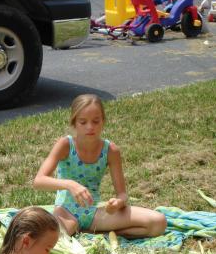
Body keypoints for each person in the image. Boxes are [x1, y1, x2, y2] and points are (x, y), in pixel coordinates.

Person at [33, 94, 166, 238]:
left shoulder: (111, 150)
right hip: (66, 211)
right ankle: (95, 231)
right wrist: (70, 185)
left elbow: (122, 194)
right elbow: (38, 181)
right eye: (83, 122)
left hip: (96, 213)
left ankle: (97, 232)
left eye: (96, 121)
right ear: (74, 123)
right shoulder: (65, 145)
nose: (90, 127)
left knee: (159, 223)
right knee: (52, 240)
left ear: (103, 121)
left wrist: (118, 203)